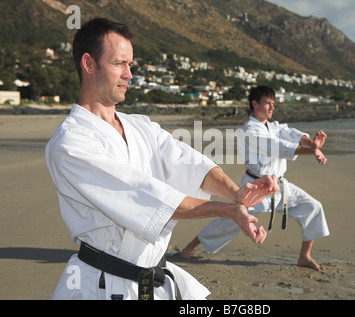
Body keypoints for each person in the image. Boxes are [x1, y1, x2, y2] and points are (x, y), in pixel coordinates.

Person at [45, 18, 278, 300]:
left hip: (152, 281)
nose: (129, 74)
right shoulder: (71, 143)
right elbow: (147, 197)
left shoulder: (140, 126)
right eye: (120, 64)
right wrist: (226, 210)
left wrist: (237, 193)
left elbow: (187, 163)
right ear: (89, 64)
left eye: (130, 65)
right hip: (102, 287)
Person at [181, 85, 330, 271]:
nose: (271, 107)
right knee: (229, 221)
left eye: (273, 104)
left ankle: (304, 257)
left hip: (279, 185)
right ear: (255, 103)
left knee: (312, 207)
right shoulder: (249, 130)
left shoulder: (274, 126)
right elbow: (276, 146)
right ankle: (190, 247)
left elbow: (293, 134)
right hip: (254, 187)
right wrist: (312, 150)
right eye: (268, 103)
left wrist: (312, 144)